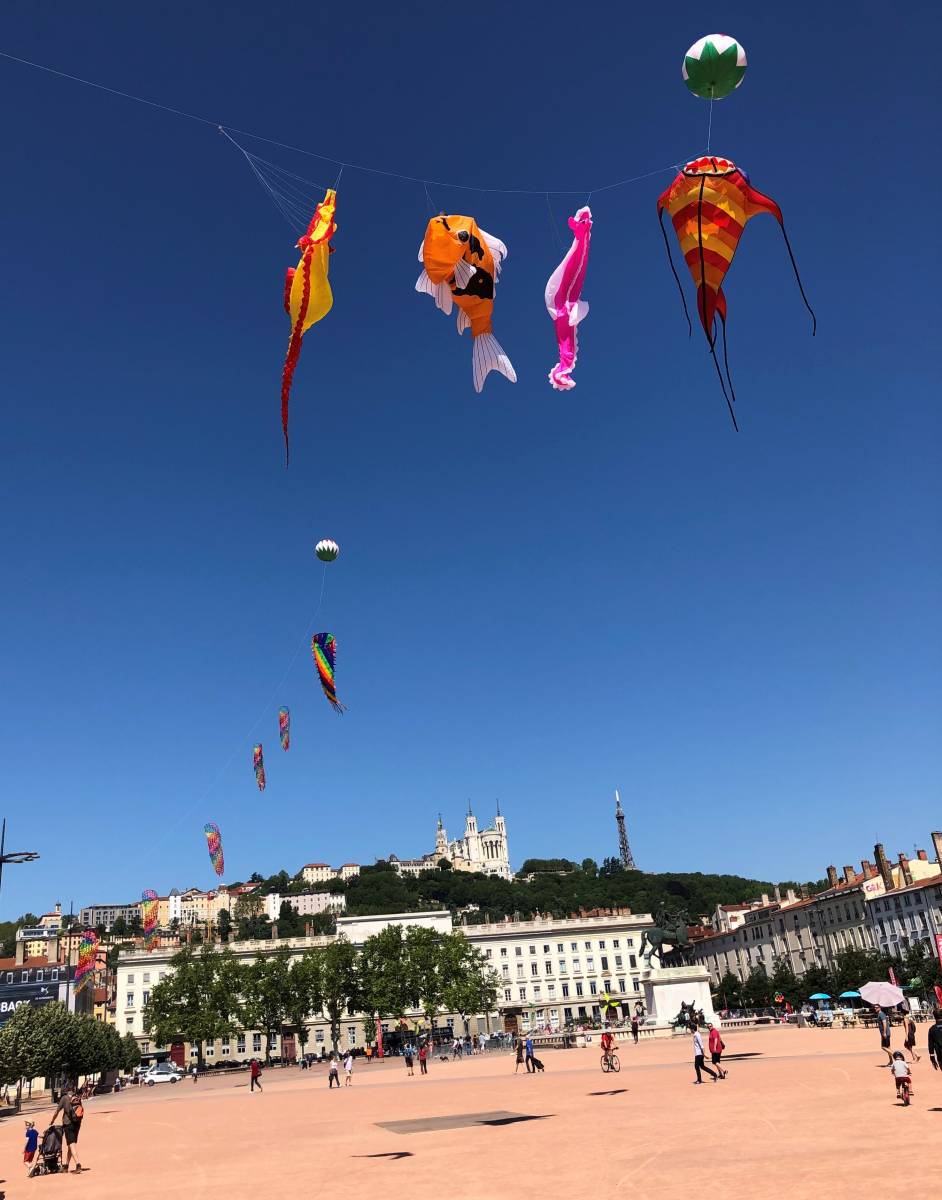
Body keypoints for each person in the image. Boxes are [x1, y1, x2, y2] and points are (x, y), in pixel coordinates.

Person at [51, 1084, 84, 1173]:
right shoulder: (77, 1098)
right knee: (70, 1145)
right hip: (77, 1124)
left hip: (68, 1124)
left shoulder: (64, 1098)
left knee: (71, 1144)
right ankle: (66, 1166)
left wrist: (52, 1121)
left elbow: (57, 1111)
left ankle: (78, 1165)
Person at [927, 1008, 942, 1073]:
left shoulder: (932, 1029)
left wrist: (932, 1058)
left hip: (940, 1056)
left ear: (934, 1017)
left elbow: (930, 1045)